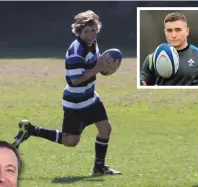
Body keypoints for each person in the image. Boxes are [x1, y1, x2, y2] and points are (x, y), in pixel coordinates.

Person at [12, 10, 121, 175]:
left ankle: (99, 168)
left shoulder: (93, 44)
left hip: (90, 98)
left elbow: (94, 66)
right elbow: (74, 80)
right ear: (79, 32)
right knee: (70, 141)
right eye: (86, 31)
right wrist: (98, 68)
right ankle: (31, 130)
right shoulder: (76, 51)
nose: (91, 34)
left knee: (105, 129)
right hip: (75, 103)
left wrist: (104, 68)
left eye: (93, 30)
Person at [140, 12, 198, 86]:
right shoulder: (151, 59)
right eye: (169, 30)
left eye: (178, 30)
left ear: (187, 31)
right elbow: (144, 86)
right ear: (165, 32)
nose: (173, 35)